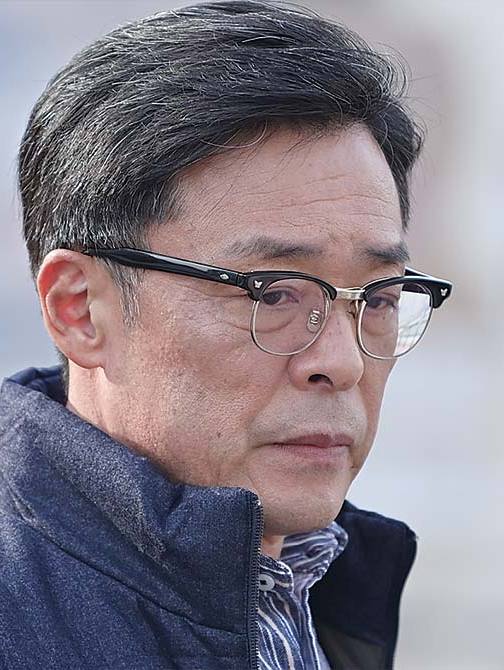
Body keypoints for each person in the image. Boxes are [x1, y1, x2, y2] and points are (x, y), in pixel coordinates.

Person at [0, 1, 452, 668]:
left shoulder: (319, 586)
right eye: (273, 293)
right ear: (80, 310)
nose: (342, 362)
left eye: (378, 297)